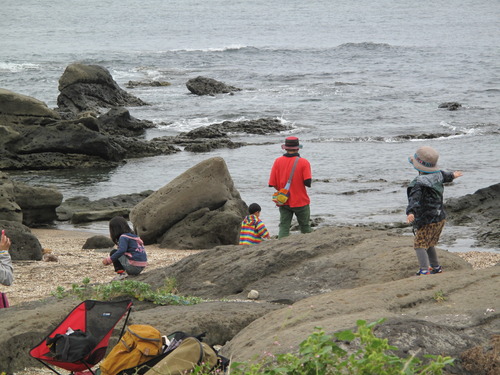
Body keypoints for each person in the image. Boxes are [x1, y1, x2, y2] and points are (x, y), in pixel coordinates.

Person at [406, 146, 463, 275]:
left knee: (420, 244)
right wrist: (454, 175)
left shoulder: (419, 183)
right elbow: (446, 176)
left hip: (427, 220)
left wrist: (411, 212)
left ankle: (424, 270)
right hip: (440, 218)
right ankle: (436, 267)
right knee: (430, 242)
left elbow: (415, 199)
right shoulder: (438, 174)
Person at [269, 136, 312, 239]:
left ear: (285, 148)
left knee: (284, 226)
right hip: (300, 201)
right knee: (305, 226)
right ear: (298, 148)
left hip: (283, 201)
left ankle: (281, 245)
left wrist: (283, 191)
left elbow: (272, 183)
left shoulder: (277, 161)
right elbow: (308, 182)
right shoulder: (304, 162)